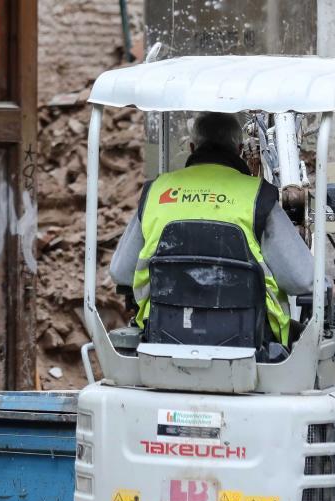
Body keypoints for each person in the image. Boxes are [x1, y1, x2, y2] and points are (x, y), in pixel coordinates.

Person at [109, 111, 315, 348]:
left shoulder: (157, 192)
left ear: (191, 147)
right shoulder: (258, 197)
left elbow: (121, 273)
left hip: (162, 338)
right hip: (253, 345)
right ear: (239, 150)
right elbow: (302, 279)